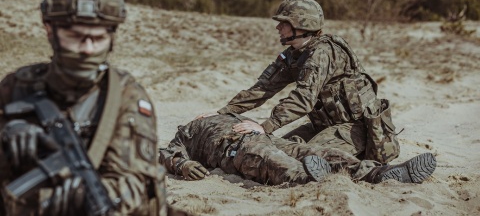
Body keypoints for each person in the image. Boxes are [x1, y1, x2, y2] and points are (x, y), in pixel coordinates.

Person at [0, 0, 168, 215]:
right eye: (75, 37)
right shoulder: (16, 87)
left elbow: (137, 185)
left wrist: (80, 197)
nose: (88, 49)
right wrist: (6, 135)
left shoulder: (125, 96)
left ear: (111, 38)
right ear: (50, 30)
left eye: (98, 39)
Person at [215, 0, 400, 164]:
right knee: (275, 150)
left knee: (304, 158)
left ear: (301, 24)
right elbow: (263, 88)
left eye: (284, 23)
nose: (278, 28)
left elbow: (304, 98)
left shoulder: (323, 52)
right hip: (323, 127)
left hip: (353, 130)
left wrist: (266, 126)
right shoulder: (294, 55)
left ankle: (374, 172)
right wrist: (224, 111)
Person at [159, 113, 436, 185]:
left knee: (317, 152)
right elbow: (165, 154)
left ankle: (381, 173)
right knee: (275, 162)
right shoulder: (186, 133)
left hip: (265, 137)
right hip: (237, 149)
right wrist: (182, 165)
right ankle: (308, 178)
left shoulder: (222, 114)